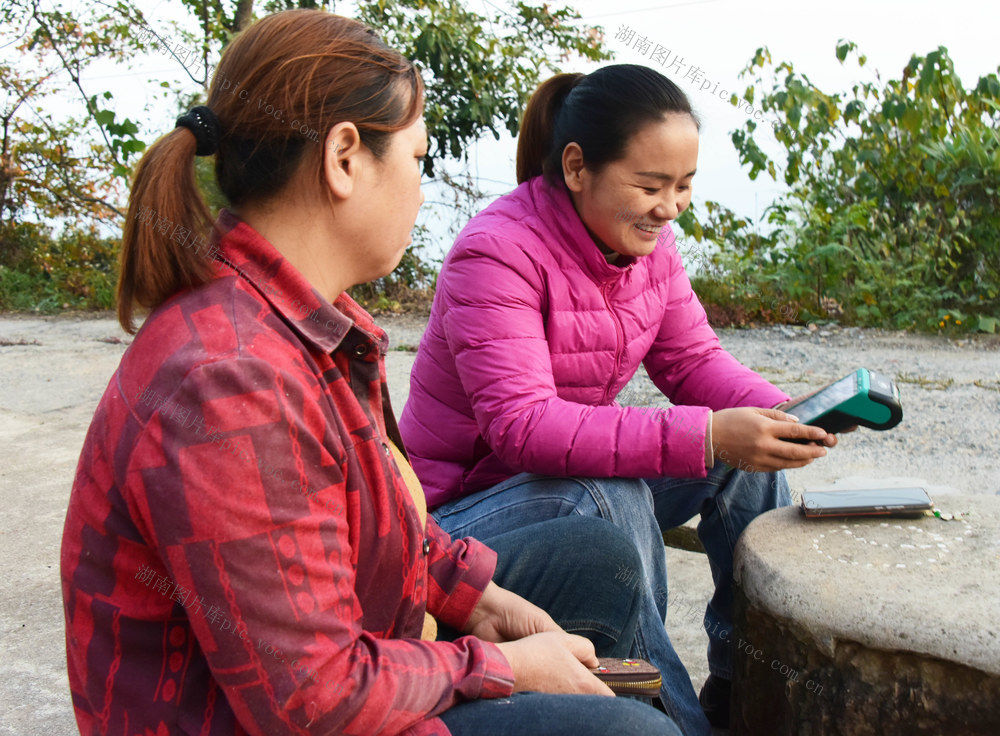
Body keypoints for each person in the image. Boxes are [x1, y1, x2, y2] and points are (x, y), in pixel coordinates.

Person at [59, 14, 681, 736]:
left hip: (358, 638)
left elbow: (378, 522)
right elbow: (314, 700)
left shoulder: (303, 318)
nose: (422, 189)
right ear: (344, 158)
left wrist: (474, 597)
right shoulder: (231, 382)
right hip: (283, 715)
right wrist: (499, 665)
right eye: (418, 159)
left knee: (593, 557)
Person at [398, 64, 841, 735]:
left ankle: (741, 683)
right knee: (618, 492)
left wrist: (787, 414)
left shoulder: (648, 250)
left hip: (561, 483)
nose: (670, 207)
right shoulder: (496, 253)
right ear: (577, 168)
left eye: (685, 186)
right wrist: (706, 434)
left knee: (739, 462)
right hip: (461, 519)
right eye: (651, 185)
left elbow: (693, 360)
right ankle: (669, 716)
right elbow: (523, 428)